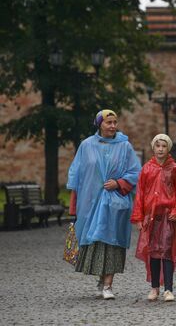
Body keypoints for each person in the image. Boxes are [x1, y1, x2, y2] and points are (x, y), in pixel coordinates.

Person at [67, 109, 141, 300]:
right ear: (99, 123)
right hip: (90, 203)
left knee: (113, 242)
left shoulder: (124, 146)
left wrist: (119, 183)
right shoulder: (86, 145)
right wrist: (74, 206)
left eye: (115, 122)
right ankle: (101, 279)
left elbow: (136, 173)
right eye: (108, 122)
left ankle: (108, 284)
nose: (113, 126)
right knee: (98, 241)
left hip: (115, 204)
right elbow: (77, 176)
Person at [131, 134, 176, 302]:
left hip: (167, 216)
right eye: (158, 145)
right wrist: (139, 217)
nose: (160, 149)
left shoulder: (175, 169)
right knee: (153, 252)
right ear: (153, 148)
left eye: (164, 146)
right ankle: (154, 287)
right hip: (151, 217)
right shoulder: (147, 169)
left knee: (167, 251)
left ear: (168, 148)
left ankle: (168, 289)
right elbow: (140, 193)